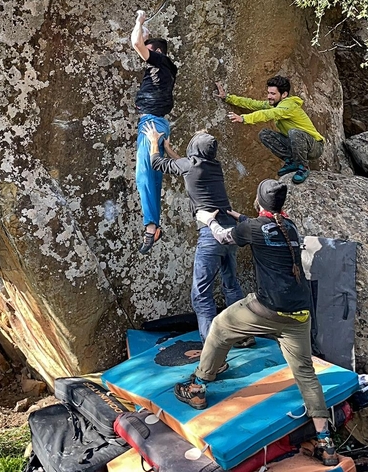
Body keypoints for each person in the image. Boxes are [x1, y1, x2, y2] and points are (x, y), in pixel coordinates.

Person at [174, 179, 338, 468]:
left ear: (259, 201)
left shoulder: (253, 229)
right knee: (306, 374)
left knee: (221, 327)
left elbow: (224, 238)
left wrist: (207, 219)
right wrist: (237, 214)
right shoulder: (289, 226)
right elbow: (262, 226)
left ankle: (198, 387)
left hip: (267, 309)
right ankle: (326, 444)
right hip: (299, 315)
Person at [143, 120, 254, 348]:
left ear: (194, 151)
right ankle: (244, 335)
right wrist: (169, 147)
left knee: (201, 294)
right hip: (229, 232)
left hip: (210, 234)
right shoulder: (214, 165)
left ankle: (212, 346)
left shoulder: (191, 166)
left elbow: (156, 163)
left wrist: (155, 142)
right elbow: (185, 164)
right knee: (231, 285)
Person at [216, 75, 324, 184]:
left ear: (284, 94)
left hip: (314, 146)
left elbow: (268, 114)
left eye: (273, 94)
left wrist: (243, 118)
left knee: (294, 133)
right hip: (295, 143)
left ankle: (303, 167)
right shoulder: (275, 105)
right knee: (265, 134)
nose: (269, 96)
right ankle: (292, 161)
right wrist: (227, 97)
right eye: (268, 93)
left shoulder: (289, 106)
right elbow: (252, 103)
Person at [131, 10, 178, 254]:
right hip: (156, 123)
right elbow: (143, 44)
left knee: (144, 174)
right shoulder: (166, 67)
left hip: (151, 124)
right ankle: (154, 226)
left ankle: (151, 226)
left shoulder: (160, 61)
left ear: (156, 52)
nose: (143, 57)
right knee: (153, 176)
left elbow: (136, 43)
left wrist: (139, 22)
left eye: (149, 52)